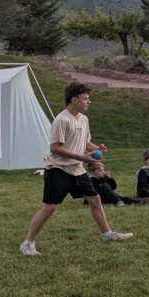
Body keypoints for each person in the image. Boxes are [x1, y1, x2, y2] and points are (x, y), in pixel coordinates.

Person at [21, 83, 132, 256]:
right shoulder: (62, 120)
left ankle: (107, 234)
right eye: (85, 99)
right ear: (74, 100)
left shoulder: (83, 119)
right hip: (58, 169)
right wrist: (83, 157)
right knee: (50, 207)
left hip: (77, 169)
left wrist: (96, 148)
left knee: (95, 199)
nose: (89, 102)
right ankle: (28, 244)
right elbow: (55, 148)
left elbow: (84, 142)